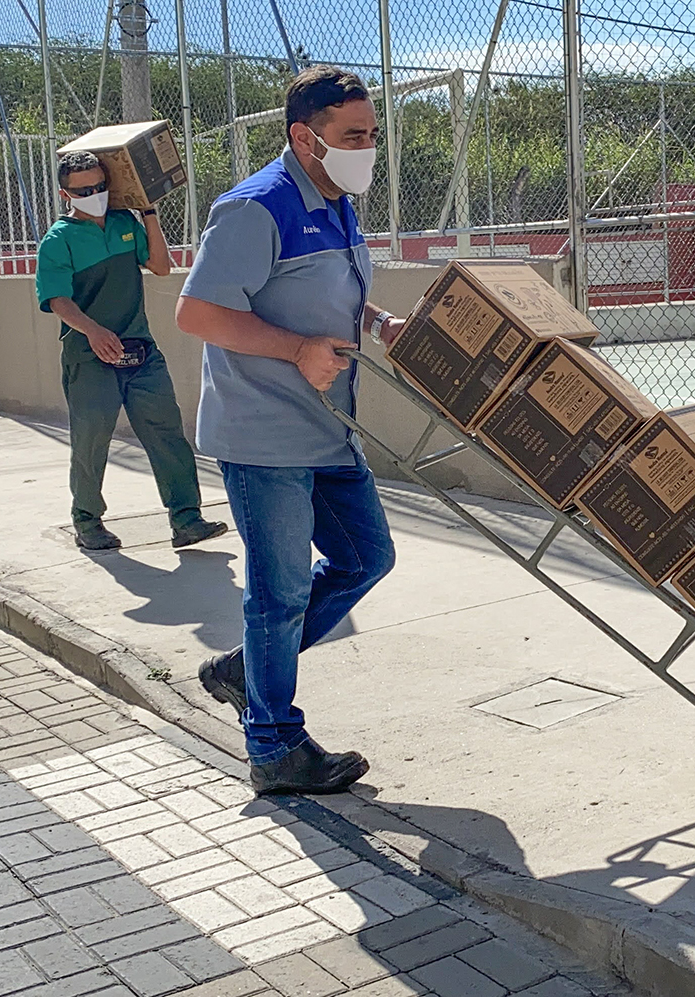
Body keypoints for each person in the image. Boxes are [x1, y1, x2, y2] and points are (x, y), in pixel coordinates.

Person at [177, 66, 405, 795]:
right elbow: (199, 313)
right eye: (352, 136)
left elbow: (319, 292)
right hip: (263, 433)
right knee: (277, 596)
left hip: (327, 427)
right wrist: (295, 350)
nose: (367, 148)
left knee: (366, 557)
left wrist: (371, 320)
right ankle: (273, 746)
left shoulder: (335, 200)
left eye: (372, 134)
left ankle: (246, 669)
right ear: (304, 137)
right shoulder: (254, 208)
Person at [35, 150, 227, 551]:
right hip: (90, 357)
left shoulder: (124, 224)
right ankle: (87, 520)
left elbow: (160, 265)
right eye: (84, 190)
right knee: (92, 437)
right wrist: (92, 331)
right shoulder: (58, 240)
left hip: (140, 350)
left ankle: (186, 518)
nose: (96, 194)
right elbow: (57, 300)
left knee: (167, 432)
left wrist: (149, 213)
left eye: (101, 186)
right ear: (64, 193)